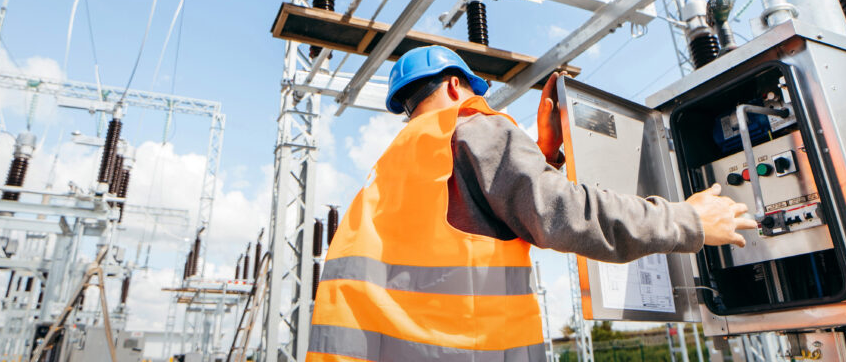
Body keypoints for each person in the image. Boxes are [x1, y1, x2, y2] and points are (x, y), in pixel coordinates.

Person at [307, 45, 754, 361]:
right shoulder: (471, 126)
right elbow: (565, 215)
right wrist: (687, 220)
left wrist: (541, 156)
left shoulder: (391, 169)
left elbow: (477, 221)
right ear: (453, 84)